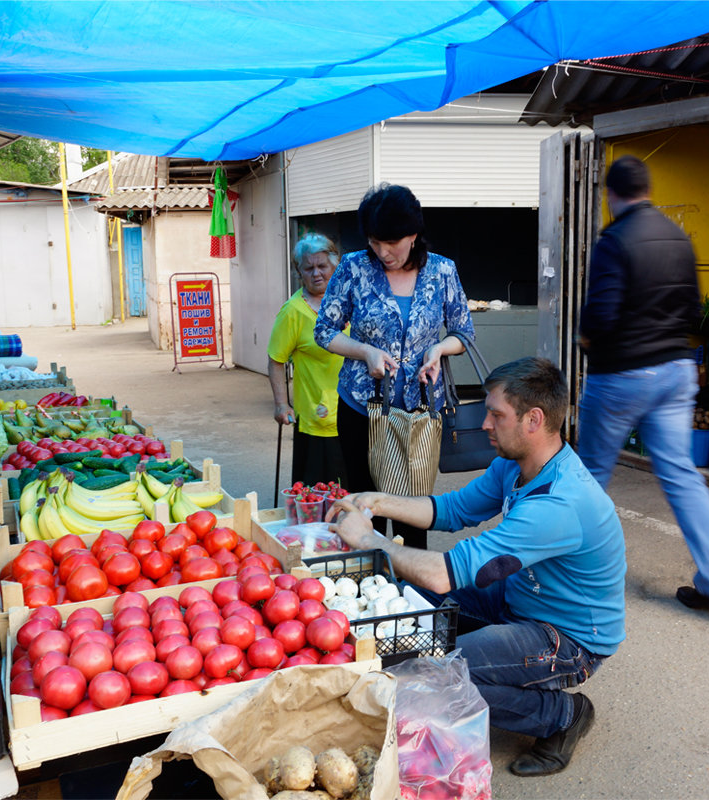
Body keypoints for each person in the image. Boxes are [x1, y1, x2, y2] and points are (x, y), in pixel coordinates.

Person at [330, 357, 625, 777]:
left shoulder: (559, 502)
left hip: (569, 639)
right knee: (406, 590)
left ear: (533, 420)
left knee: (444, 672)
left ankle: (562, 714)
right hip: (520, 599)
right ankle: (480, 659)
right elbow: (452, 509)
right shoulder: (517, 464)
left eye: (496, 414)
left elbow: (444, 572)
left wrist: (368, 539)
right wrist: (375, 501)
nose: (484, 423)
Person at [576, 154, 709, 611]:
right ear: (647, 190)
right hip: (675, 370)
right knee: (682, 476)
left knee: (589, 476)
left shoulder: (614, 239)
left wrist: (587, 341)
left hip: (623, 374)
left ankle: (569, 575)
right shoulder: (678, 237)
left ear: (611, 195)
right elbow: (694, 311)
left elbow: (601, 315)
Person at [314, 184, 474, 550]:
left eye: (392, 242)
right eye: (375, 242)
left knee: (414, 510)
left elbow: (464, 333)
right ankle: (368, 583)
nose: (383, 252)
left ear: (414, 234)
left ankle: (411, 591)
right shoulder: (354, 268)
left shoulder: (442, 271)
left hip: (419, 414)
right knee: (365, 505)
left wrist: (438, 349)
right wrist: (364, 351)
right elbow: (324, 331)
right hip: (361, 410)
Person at [267, 233, 348, 486]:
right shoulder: (293, 311)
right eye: (308, 268)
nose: (316, 273)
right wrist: (282, 404)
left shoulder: (350, 300)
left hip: (357, 412)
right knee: (319, 495)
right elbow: (276, 360)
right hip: (317, 418)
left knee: (355, 492)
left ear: (335, 266)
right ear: (299, 271)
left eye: (322, 266)